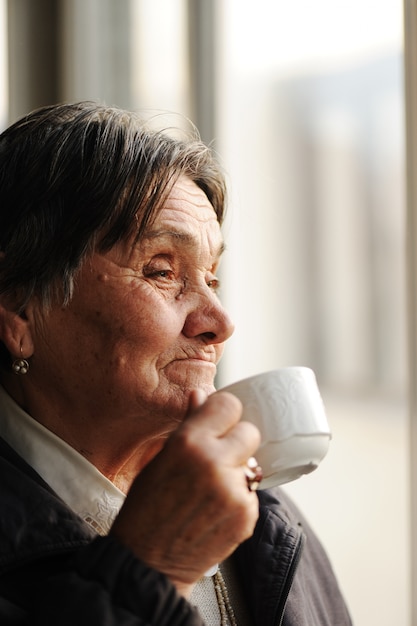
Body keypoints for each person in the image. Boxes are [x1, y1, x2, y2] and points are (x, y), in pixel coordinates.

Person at [0, 101, 352, 625]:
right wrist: (152, 569)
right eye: (163, 272)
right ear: (19, 310)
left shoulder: (266, 521)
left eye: (212, 277)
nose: (219, 321)